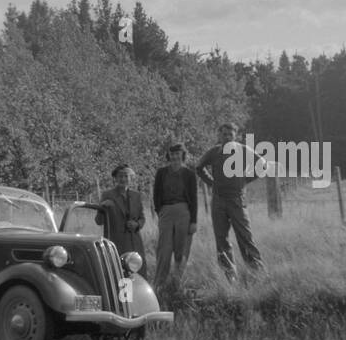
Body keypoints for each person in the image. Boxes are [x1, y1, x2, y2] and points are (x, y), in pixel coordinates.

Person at [195, 122, 266, 281]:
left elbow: (262, 165)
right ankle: (229, 276)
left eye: (230, 134)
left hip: (237, 200)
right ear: (219, 136)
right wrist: (211, 182)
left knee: (245, 236)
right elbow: (199, 167)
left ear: (236, 136)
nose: (227, 137)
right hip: (218, 200)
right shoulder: (214, 152)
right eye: (224, 134)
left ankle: (257, 273)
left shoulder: (243, 150)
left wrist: (245, 180)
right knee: (221, 239)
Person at [152, 144, 197, 290]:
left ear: (182, 155)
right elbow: (156, 194)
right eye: (172, 154)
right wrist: (160, 211)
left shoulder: (189, 174)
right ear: (168, 156)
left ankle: (177, 283)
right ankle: (159, 284)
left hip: (183, 210)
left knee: (182, 248)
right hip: (166, 210)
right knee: (164, 249)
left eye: (178, 153)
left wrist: (194, 220)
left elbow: (194, 198)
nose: (175, 157)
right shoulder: (161, 172)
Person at [99, 164, 148, 277]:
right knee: (118, 274)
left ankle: (138, 294)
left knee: (137, 273)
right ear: (115, 178)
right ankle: (121, 294)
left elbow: (142, 218)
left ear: (130, 178)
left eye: (126, 176)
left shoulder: (136, 195)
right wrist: (103, 207)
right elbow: (99, 221)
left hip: (135, 242)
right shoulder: (108, 195)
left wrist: (136, 224)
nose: (123, 179)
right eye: (120, 176)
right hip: (116, 242)